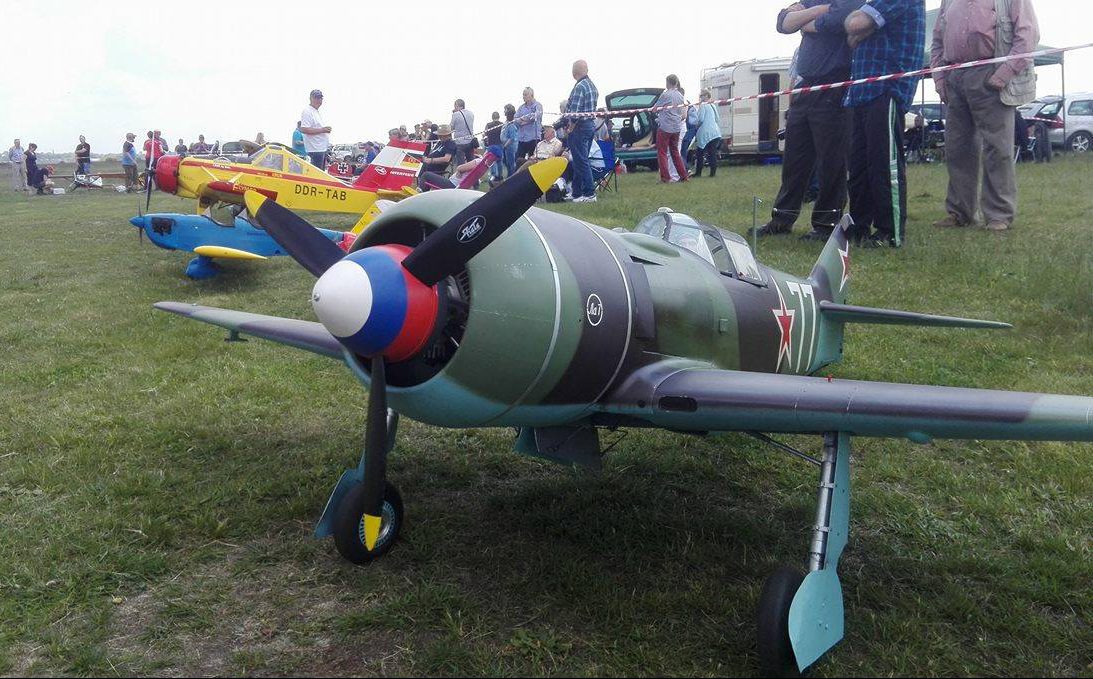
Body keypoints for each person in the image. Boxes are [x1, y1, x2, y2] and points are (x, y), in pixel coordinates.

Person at [931, 0, 1039, 233]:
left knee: (997, 148)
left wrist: (1004, 74)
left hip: (991, 74)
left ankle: (998, 215)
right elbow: (937, 41)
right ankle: (960, 212)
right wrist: (939, 79)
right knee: (957, 148)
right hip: (954, 75)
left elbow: (1027, 35)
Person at [755, 0, 857, 241]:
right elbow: (783, 22)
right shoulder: (815, 1)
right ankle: (781, 219)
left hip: (834, 86)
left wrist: (805, 21)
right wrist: (820, 10)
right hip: (805, 87)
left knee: (831, 162)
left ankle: (826, 224)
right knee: (795, 160)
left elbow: (840, 19)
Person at [843, 0, 926, 248]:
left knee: (884, 164)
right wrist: (862, 26)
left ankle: (889, 232)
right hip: (863, 90)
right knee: (859, 166)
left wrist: (860, 24)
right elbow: (852, 36)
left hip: (886, 88)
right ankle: (858, 226)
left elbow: (854, 23)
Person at [562, 60, 599, 203]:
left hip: (579, 127)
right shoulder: (593, 86)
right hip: (590, 126)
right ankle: (576, 192)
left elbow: (575, 112)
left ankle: (590, 193)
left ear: (574, 72)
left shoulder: (579, 87)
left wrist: (570, 127)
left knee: (581, 161)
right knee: (580, 160)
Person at [652, 74, 688, 184]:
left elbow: (654, 109)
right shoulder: (680, 95)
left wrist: (660, 110)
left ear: (667, 83)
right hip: (676, 127)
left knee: (662, 152)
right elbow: (681, 112)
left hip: (665, 127)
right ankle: (683, 176)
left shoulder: (665, 95)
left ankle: (665, 178)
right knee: (675, 152)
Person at [693, 90, 723, 177]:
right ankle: (712, 173)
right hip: (715, 132)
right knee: (712, 153)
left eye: (701, 95)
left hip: (705, 133)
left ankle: (698, 173)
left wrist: (696, 125)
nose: (700, 97)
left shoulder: (703, 105)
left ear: (706, 96)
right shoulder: (713, 105)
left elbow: (701, 119)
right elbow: (717, 119)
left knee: (700, 153)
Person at [300, 89, 332, 167]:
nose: (318, 100)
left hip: (321, 149)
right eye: (316, 98)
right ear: (310, 98)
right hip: (314, 150)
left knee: (320, 172)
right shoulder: (307, 111)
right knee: (316, 173)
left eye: (320, 98)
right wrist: (323, 130)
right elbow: (304, 129)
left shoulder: (315, 111)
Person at [516, 87, 544, 161]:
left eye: (525, 95)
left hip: (534, 138)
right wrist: (526, 120)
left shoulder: (538, 105)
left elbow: (536, 116)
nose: (523, 97)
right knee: (519, 160)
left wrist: (524, 120)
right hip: (522, 139)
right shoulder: (521, 108)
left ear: (532, 95)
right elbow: (515, 119)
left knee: (533, 160)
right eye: (523, 95)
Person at [450, 99, 475, 165]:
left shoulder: (455, 114)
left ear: (457, 105)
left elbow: (451, 128)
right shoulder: (471, 113)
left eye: (455, 106)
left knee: (461, 164)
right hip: (470, 140)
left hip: (459, 141)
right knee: (471, 162)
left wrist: (454, 114)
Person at [500, 104, 519, 179]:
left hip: (510, 147)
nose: (504, 111)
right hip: (506, 147)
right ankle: (509, 176)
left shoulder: (512, 124)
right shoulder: (506, 123)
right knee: (506, 162)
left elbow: (512, 138)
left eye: (505, 110)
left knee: (511, 164)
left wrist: (505, 146)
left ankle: (511, 178)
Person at [484, 111, 503, 181]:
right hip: (499, 144)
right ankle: (500, 176)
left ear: (492, 117)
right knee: (499, 161)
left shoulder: (488, 125)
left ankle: (493, 175)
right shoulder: (502, 124)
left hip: (491, 145)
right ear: (499, 117)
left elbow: (485, 134)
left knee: (491, 161)